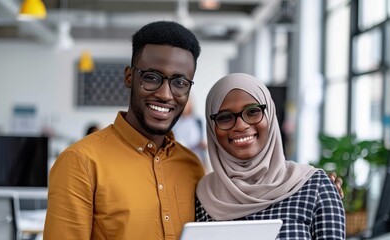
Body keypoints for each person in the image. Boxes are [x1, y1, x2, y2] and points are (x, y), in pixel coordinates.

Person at [43, 21, 205, 239]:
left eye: (180, 82)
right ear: (129, 77)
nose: (166, 94)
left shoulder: (192, 166)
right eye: (152, 77)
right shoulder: (80, 162)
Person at [195, 73, 346, 239]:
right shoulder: (203, 196)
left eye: (252, 111)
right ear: (212, 128)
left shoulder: (315, 186)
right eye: (224, 117)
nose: (240, 125)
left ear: (270, 115)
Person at [173, 97, 209, 170]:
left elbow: (206, 140)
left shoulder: (198, 121)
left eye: (187, 102)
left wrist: (202, 144)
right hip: (182, 163)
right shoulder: (174, 124)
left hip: (200, 162)